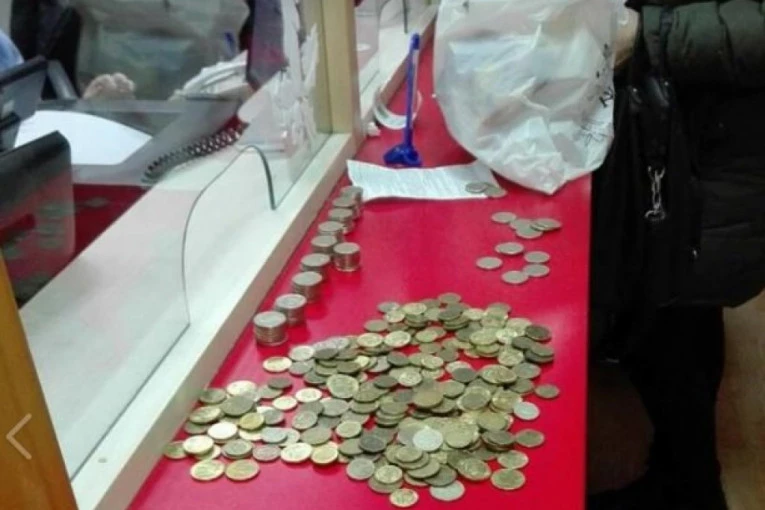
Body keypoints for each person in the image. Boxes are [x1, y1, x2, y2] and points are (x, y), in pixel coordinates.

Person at [590, 1, 765, 509]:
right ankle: (681, 473)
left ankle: (690, 488)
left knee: (675, 305)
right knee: (673, 306)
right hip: (673, 119)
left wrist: (652, 34)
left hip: (720, 136)